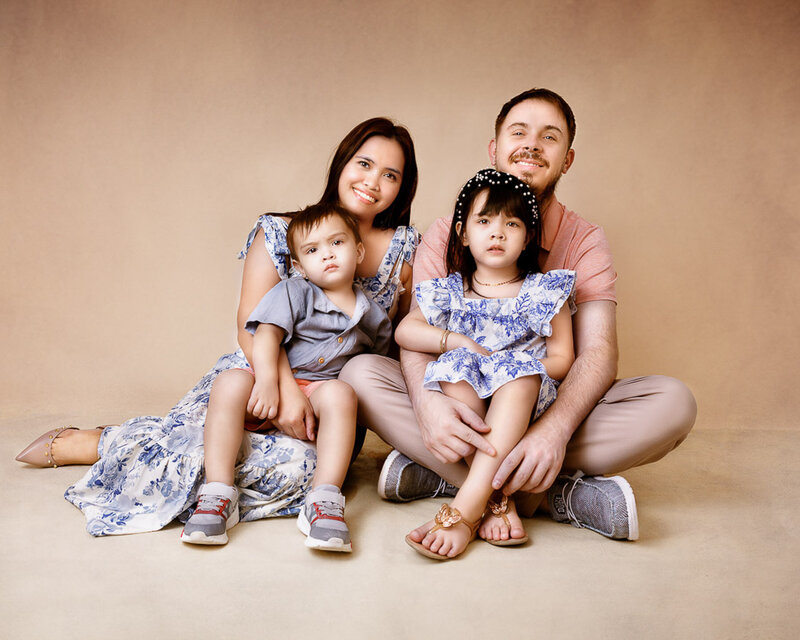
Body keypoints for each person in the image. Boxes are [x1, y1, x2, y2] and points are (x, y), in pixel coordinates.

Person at [15, 117, 420, 537]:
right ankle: (103, 442)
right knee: (191, 454)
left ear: (401, 187)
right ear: (341, 164)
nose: (372, 181)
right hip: (259, 372)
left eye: (390, 175)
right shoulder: (282, 231)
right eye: (364, 164)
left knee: (295, 472)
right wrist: (279, 390)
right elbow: (252, 328)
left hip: (328, 401)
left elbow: (390, 352)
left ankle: (308, 500)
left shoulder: (407, 248)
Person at [339, 88, 697, 543]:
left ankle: (455, 480)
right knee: (361, 372)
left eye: (548, 137)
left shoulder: (584, 240)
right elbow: (416, 334)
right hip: (462, 399)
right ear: (495, 149)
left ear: (566, 159)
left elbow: (597, 354)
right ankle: (548, 496)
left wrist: (552, 432)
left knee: (673, 402)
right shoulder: (452, 228)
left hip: (543, 398)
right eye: (519, 132)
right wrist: (429, 409)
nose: (531, 144)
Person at [182, 205, 391, 552]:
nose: (326, 255)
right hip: (276, 382)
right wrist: (267, 381)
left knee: (341, 394)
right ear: (299, 266)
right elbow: (266, 337)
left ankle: (323, 501)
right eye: (312, 250)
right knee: (230, 383)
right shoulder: (294, 292)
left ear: (358, 251)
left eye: (336, 243)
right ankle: (218, 493)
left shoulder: (375, 316)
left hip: (317, 395)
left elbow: (377, 369)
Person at [395, 169, 575, 559]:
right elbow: (405, 333)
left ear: (527, 237)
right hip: (471, 403)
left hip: (523, 402)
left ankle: (463, 510)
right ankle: (497, 501)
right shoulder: (450, 291)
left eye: (511, 224)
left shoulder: (543, 291)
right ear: (462, 232)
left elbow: (562, 357)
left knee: (519, 377)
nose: (497, 233)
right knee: (456, 371)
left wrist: (514, 366)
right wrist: (456, 341)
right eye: (484, 221)